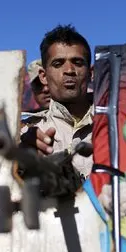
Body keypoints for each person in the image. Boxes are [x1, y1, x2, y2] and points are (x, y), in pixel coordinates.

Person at [20, 24, 94, 178]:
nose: (69, 70)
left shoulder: (117, 126)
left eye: (78, 62)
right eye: (58, 64)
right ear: (43, 76)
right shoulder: (27, 134)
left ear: (91, 73)